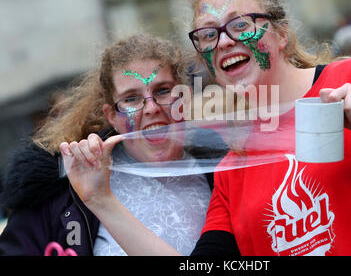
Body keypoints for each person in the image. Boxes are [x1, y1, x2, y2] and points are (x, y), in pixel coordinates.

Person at [62, 0, 351, 256]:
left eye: (241, 24)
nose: (226, 41)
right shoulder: (236, 163)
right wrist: (102, 201)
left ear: (281, 35)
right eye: (209, 34)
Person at [0, 34, 225, 256]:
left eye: (163, 91)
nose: (151, 108)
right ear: (112, 116)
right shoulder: (62, 190)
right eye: (131, 98)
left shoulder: (223, 175)